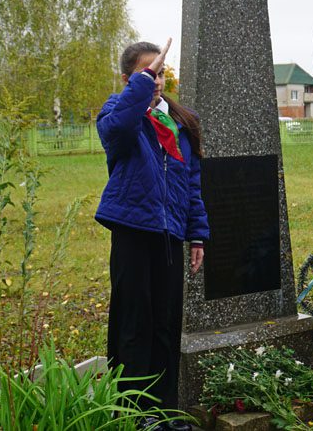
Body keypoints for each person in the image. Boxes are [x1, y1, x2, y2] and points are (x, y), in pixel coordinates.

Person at [95, 39, 209, 431]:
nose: (156, 81)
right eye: (147, 73)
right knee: (135, 324)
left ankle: (165, 410)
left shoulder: (180, 121)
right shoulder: (118, 113)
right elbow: (117, 130)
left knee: (165, 324)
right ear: (129, 79)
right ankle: (134, 413)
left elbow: (191, 185)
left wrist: (197, 234)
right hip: (132, 232)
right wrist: (140, 86)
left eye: (160, 73)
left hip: (169, 235)